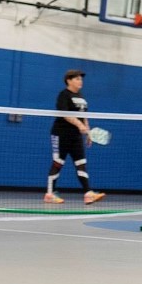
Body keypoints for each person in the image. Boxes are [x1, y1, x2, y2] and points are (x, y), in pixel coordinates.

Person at [46, 69, 104, 205]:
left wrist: (88, 133)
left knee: (81, 164)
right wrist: (79, 125)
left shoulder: (82, 97)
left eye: (81, 79)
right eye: (77, 79)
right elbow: (65, 114)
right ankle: (49, 194)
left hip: (76, 136)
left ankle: (88, 193)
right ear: (69, 80)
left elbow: (84, 116)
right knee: (58, 163)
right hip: (61, 134)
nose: (80, 81)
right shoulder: (64, 95)